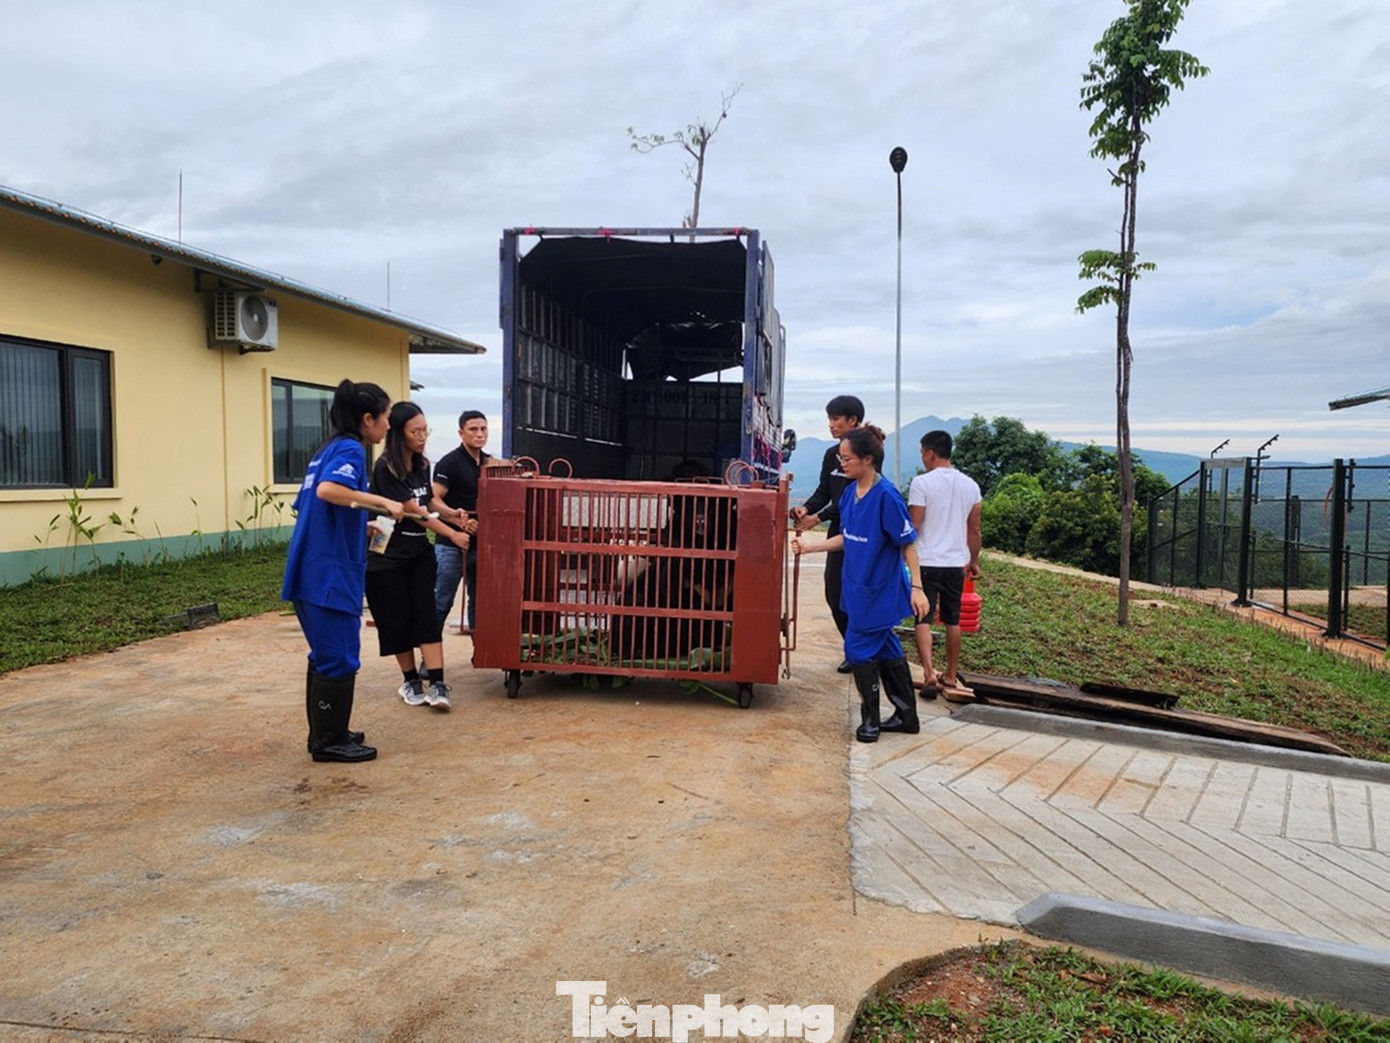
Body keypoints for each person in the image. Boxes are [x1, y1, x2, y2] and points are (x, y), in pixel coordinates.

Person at [281, 379, 426, 763]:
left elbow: (312, 506)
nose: (387, 427)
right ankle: (329, 742)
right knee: (339, 656)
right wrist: (382, 502)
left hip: (312, 567)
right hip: (328, 575)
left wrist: (359, 525)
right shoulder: (349, 449)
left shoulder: (326, 449)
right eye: (385, 419)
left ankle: (328, 733)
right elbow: (329, 491)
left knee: (326, 654)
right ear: (368, 419)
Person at [791, 426, 930, 743]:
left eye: (847, 459)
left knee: (856, 649)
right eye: (840, 458)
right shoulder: (851, 494)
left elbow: (908, 544)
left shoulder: (887, 497)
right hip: (857, 587)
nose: (842, 464)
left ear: (868, 459)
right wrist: (810, 547)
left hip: (878, 591)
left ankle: (871, 721)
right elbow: (849, 538)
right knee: (887, 647)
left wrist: (917, 588)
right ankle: (907, 715)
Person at [364, 402, 471, 711]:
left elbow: (430, 504)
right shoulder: (387, 467)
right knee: (396, 619)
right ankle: (410, 680)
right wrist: (452, 534)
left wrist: (453, 514)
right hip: (386, 555)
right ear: (398, 433)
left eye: (426, 430)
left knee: (426, 615)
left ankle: (437, 683)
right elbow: (416, 512)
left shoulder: (423, 465)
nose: (423, 436)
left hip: (418, 552)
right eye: (416, 431)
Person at [790, 395, 866, 674]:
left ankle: (864, 654)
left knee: (857, 597)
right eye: (829, 419)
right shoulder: (829, 454)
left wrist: (817, 519)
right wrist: (805, 508)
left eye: (836, 419)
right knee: (834, 594)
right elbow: (826, 491)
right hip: (838, 532)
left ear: (852, 420)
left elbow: (851, 498)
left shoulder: (868, 452)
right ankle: (855, 649)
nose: (831, 425)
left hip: (861, 535)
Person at [907, 430, 982, 703]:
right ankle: (949, 675)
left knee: (923, 618)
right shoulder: (971, 486)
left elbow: (914, 525)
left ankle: (928, 673)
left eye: (922, 453)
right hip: (955, 564)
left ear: (929, 452)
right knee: (953, 619)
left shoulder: (921, 483)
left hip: (926, 560)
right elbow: (974, 529)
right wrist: (973, 561)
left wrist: (902, 552)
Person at [432, 410, 489, 635]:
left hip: (479, 544)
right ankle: (430, 656)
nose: (479, 434)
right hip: (450, 543)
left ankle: (480, 651)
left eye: (483, 429)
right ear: (461, 433)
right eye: (473, 430)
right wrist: (458, 520)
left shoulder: (489, 462)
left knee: (478, 600)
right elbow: (432, 500)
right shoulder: (450, 463)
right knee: (442, 600)